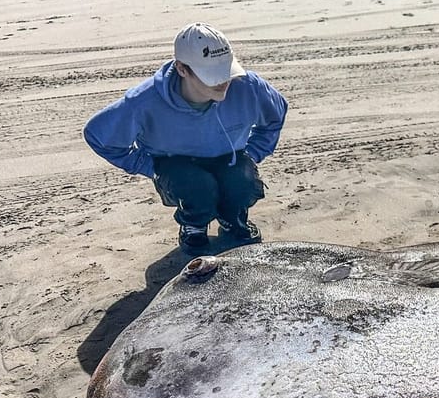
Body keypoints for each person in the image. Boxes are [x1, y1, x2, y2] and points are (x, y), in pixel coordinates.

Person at [84, 23, 288, 256]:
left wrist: (253, 154)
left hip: (229, 158)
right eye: (211, 74)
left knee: (242, 181)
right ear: (182, 69)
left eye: (226, 70)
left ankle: (233, 219)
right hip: (176, 166)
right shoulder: (144, 101)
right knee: (197, 187)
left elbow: (276, 114)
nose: (224, 81)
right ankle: (194, 225)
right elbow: (98, 136)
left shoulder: (248, 86)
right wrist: (149, 167)